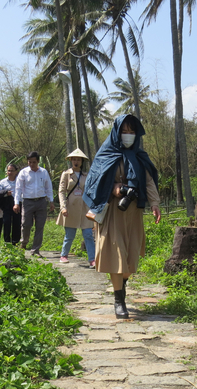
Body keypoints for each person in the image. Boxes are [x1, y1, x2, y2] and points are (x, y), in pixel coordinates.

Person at [83, 114, 161, 319]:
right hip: (112, 212)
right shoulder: (105, 155)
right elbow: (94, 183)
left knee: (130, 257)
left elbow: (149, 181)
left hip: (133, 212)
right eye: (124, 131)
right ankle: (119, 300)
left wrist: (154, 203)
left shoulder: (139, 155)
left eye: (132, 132)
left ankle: (122, 282)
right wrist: (114, 188)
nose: (128, 135)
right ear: (117, 133)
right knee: (116, 254)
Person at [57, 148, 95, 267]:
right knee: (70, 234)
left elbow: (90, 191)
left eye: (78, 159)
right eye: (74, 159)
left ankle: (92, 259)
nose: (76, 161)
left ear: (82, 161)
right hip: (70, 207)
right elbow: (61, 191)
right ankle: (64, 255)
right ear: (71, 161)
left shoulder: (86, 175)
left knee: (88, 234)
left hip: (84, 207)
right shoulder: (66, 174)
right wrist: (63, 207)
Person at [13, 151, 55, 256]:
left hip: (41, 201)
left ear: (38, 161)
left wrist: (51, 201)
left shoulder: (44, 172)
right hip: (27, 201)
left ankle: (36, 249)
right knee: (26, 224)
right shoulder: (23, 173)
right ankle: (24, 243)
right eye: (30, 162)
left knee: (40, 226)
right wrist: (16, 203)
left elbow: (48, 187)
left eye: (34, 162)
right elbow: (18, 189)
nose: (31, 164)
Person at [0, 164, 20, 246]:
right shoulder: (3, 182)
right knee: (6, 223)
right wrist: (6, 194)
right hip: (6, 204)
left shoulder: (20, 181)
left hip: (17, 204)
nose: (10, 172)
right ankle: (7, 242)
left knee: (17, 223)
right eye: (9, 170)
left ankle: (15, 242)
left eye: (12, 171)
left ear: (16, 171)